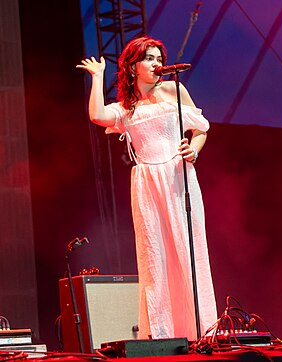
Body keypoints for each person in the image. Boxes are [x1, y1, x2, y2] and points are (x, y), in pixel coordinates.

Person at [76, 36, 217, 340]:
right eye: (149, 59)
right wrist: (98, 77)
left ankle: (201, 328)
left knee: (187, 249)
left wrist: (194, 149)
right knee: (155, 255)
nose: (156, 64)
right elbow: (97, 115)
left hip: (178, 176)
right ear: (133, 66)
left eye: (158, 58)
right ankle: (163, 331)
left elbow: (201, 128)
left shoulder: (173, 89)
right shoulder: (127, 108)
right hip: (146, 183)